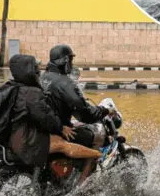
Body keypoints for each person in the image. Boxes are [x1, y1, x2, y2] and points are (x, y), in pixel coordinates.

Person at [5, 54, 103, 168]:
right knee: (63, 144)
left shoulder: (11, 88)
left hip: (12, 137)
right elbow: (45, 115)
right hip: (25, 140)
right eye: (35, 69)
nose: (38, 72)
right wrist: (61, 128)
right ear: (28, 72)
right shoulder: (31, 93)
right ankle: (99, 156)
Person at [40, 44, 117, 183]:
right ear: (64, 61)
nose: (71, 63)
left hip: (43, 130)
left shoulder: (42, 77)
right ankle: (81, 187)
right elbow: (86, 114)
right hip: (60, 131)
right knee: (95, 138)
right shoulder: (65, 82)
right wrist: (105, 110)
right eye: (70, 60)